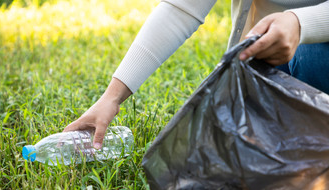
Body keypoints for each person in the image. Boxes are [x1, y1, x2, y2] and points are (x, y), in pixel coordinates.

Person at [64, 0, 329, 149]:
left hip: (318, 56)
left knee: (310, 57)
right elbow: (181, 9)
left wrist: (301, 23)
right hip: (268, 56)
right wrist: (111, 97)